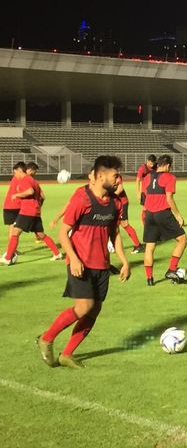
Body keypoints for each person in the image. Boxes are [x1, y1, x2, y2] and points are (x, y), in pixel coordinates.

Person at [36, 155, 130, 368]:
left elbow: (114, 234)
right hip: (81, 264)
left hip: (102, 266)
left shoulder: (115, 203)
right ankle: (47, 338)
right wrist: (74, 259)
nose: (119, 181)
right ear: (99, 176)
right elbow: (63, 233)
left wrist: (124, 261)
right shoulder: (82, 199)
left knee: (94, 310)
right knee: (84, 306)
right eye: (115, 176)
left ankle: (67, 354)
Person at [1, 162, 62, 265]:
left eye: (15, 173)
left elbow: (30, 191)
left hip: (27, 211)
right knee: (41, 234)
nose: (15, 175)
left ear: (20, 171)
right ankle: (57, 253)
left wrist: (17, 195)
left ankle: (7, 258)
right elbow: (41, 196)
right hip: (35, 211)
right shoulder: (33, 180)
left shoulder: (25, 179)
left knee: (15, 233)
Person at [142, 155, 187, 286]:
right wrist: (178, 215)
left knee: (150, 247)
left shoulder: (147, 177)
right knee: (182, 239)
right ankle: (172, 270)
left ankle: (149, 279)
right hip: (162, 214)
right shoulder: (170, 177)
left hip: (149, 215)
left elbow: (145, 195)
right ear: (168, 165)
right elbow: (169, 198)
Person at [114, 174, 145, 253]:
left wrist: (110, 196)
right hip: (114, 203)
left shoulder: (116, 175)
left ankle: (138, 245)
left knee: (124, 224)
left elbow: (120, 189)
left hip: (121, 203)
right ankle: (113, 245)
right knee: (113, 224)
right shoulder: (106, 175)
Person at [3, 162, 27, 247]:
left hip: (8, 206)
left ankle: (12, 249)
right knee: (14, 229)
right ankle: (11, 250)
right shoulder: (20, 179)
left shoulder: (14, 178)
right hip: (15, 206)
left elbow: (8, 191)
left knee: (12, 228)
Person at [135, 154, 157, 222]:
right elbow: (137, 180)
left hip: (153, 191)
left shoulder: (156, 166)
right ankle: (145, 224)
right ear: (147, 161)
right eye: (150, 163)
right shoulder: (142, 168)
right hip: (145, 192)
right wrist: (138, 192)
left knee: (155, 207)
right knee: (145, 208)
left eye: (153, 163)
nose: (152, 165)